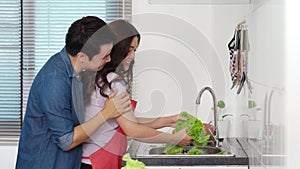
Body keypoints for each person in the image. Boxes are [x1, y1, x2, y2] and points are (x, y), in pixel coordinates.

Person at [15, 16, 132, 169]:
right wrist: (106, 113)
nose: (109, 59)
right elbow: (67, 141)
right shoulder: (55, 80)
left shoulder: (74, 71)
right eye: (104, 56)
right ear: (82, 56)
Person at [80, 19, 193, 169]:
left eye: (135, 50)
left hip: (88, 160)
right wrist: (173, 139)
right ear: (118, 48)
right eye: (129, 49)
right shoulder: (113, 81)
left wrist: (167, 120)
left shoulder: (98, 77)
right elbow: (132, 130)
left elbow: (124, 121)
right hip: (99, 161)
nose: (132, 56)